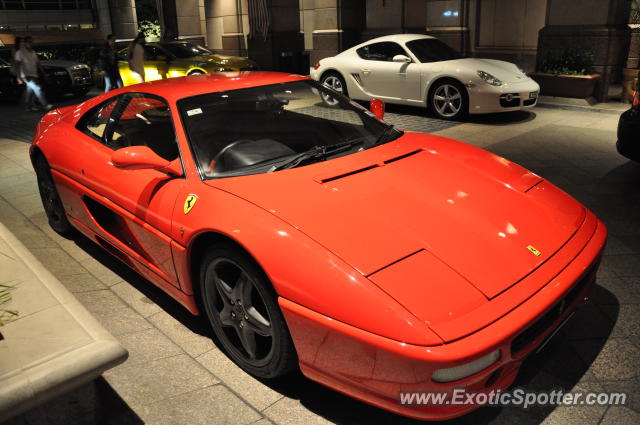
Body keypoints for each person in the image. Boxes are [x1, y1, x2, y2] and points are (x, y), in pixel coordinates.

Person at [14, 36, 51, 111]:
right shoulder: (20, 53)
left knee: (30, 90)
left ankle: (28, 106)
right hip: (25, 75)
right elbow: (17, 65)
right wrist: (18, 76)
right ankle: (45, 104)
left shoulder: (33, 52)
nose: (31, 43)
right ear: (25, 43)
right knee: (37, 88)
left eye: (31, 42)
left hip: (33, 74)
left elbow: (38, 63)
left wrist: (43, 73)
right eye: (29, 42)